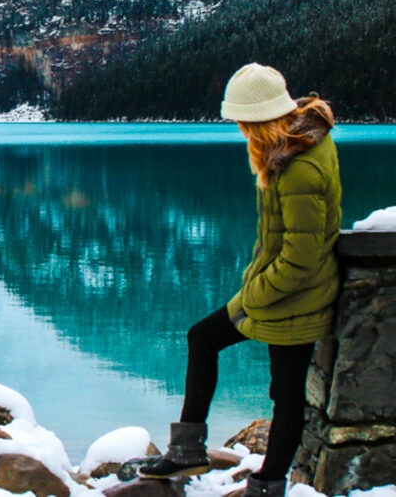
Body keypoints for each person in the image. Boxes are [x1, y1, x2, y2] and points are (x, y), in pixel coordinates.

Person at [139, 63, 341, 497]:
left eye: (242, 122)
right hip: (276, 288)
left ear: (259, 119)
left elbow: (301, 256)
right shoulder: (291, 147)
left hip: (297, 295)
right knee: (202, 338)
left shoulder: (300, 167)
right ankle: (188, 450)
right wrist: (257, 287)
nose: (239, 131)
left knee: (286, 395)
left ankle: (267, 485)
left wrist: (255, 291)